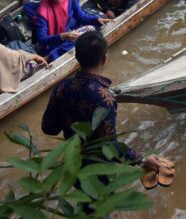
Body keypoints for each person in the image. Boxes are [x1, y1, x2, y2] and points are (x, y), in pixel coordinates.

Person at [42, 32, 171, 185]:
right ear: (104, 58)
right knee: (98, 203)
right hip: (98, 171)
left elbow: (49, 128)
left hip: (73, 163)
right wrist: (142, 159)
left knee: (84, 205)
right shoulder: (104, 98)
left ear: (76, 57)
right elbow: (110, 147)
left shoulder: (62, 87)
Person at [28, 0, 112, 61]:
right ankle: (52, 55)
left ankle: (57, 52)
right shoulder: (43, 11)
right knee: (85, 38)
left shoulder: (70, 0)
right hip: (51, 43)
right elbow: (42, 39)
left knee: (91, 28)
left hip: (67, 37)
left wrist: (97, 19)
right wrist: (63, 36)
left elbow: (81, 17)